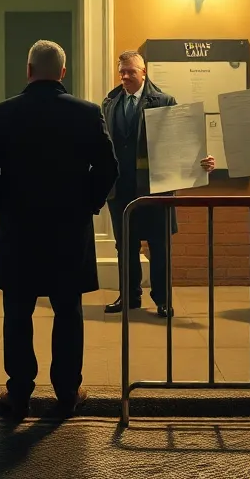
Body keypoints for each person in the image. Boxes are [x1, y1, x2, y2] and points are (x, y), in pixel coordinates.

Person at [0, 40, 118, 420]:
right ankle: (67, 391)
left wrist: (1, 205)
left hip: (19, 228)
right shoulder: (86, 113)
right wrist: (89, 202)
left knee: (17, 311)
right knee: (68, 310)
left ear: (28, 70)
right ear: (63, 73)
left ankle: (19, 392)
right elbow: (108, 167)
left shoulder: (4, 113)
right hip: (68, 228)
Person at [103, 51, 214, 317]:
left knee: (159, 244)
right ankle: (129, 296)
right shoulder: (110, 101)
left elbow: (181, 140)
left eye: (130, 71)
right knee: (124, 245)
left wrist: (201, 159)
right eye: (121, 71)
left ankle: (163, 299)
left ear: (144, 72)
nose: (125, 76)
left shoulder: (164, 101)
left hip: (155, 187)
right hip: (120, 188)